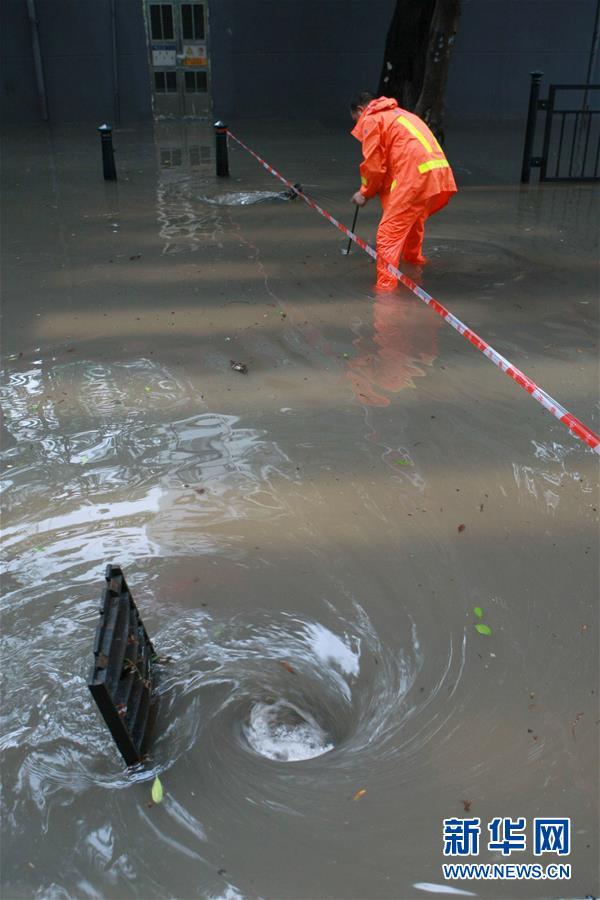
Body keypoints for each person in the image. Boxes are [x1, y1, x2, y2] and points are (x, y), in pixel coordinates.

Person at [350, 91, 457, 292]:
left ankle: (385, 289)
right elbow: (391, 163)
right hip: (436, 172)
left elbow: (374, 166)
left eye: (355, 120)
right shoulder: (399, 115)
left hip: (414, 175)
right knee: (413, 219)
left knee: (387, 234)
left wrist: (364, 192)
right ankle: (414, 262)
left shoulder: (372, 119)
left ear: (360, 110)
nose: (358, 126)